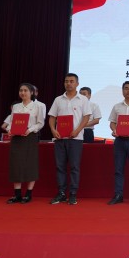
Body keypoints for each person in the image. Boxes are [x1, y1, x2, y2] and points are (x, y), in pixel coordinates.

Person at [47, 73, 91, 205]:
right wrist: (53, 130)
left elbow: (86, 117)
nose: (68, 83)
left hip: (76, 139)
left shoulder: (83, 99)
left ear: (77, 84)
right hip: (60, 138)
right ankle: (61, 193)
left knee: (74, 167)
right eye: (66, 81)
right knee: (60, 167)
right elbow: (52, 117)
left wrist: (77, 130)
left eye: (72, 81)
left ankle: (73, 193)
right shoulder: (58, 99)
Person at [5, 83, 45, 204]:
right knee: (16, 164)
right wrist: (9, 130)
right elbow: (11, 122)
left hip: (30, 137)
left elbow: (40, 123)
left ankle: (28, 194)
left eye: (25, 90)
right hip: (16, 138)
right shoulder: (16, 106)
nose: (23, 93)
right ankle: (17, 195)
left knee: (30, 164)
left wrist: (30, 129)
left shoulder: (38, 106)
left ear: (31, 92)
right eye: (21, 90)